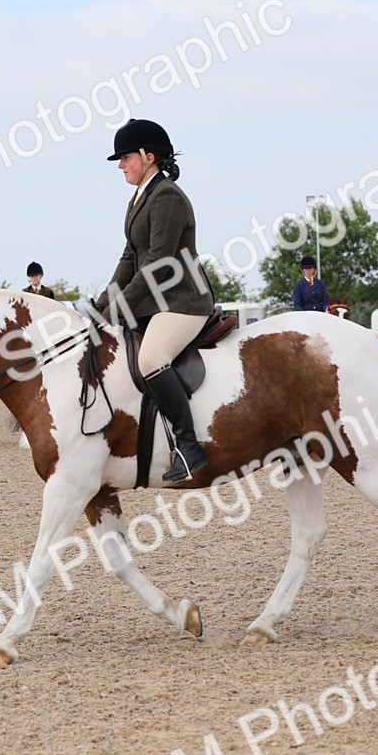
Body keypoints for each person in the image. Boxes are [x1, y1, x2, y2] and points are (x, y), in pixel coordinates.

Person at [95, 118, 215, 482]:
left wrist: (120, 307)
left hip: (183, 301)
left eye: (125, 157)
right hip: (159, 303)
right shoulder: (138, 199)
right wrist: (102, 304)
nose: (120, 165)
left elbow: (157, 264)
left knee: (150, 359)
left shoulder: (168, 197)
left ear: (149, 157)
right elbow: (129, 259)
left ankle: (188, 446)